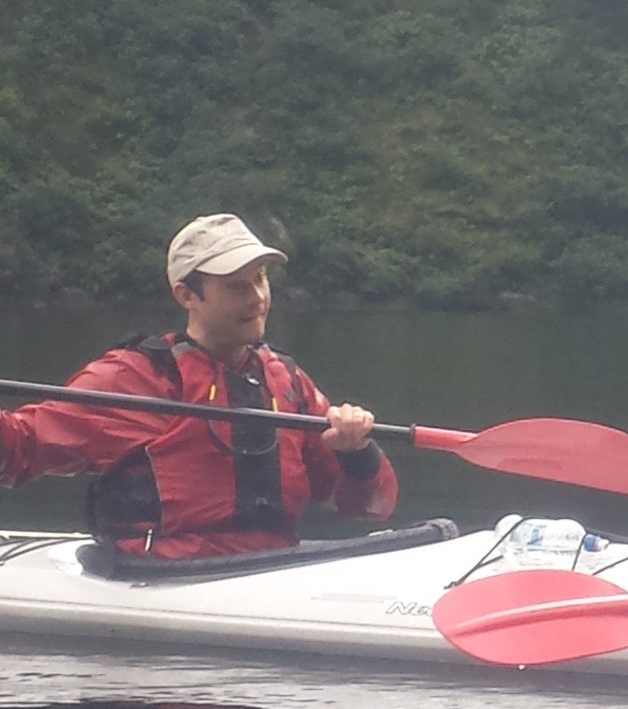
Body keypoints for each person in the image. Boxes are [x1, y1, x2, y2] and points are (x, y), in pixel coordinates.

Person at [0, 213, 398, 559]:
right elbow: (20, 447)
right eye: (237, 287)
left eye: (260, 279)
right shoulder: (133, 379)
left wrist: (357, 453)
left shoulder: (287, 383)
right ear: (186, 295)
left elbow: (369, 507)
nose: (258, 298)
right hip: (158, 577)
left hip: (270, 571)